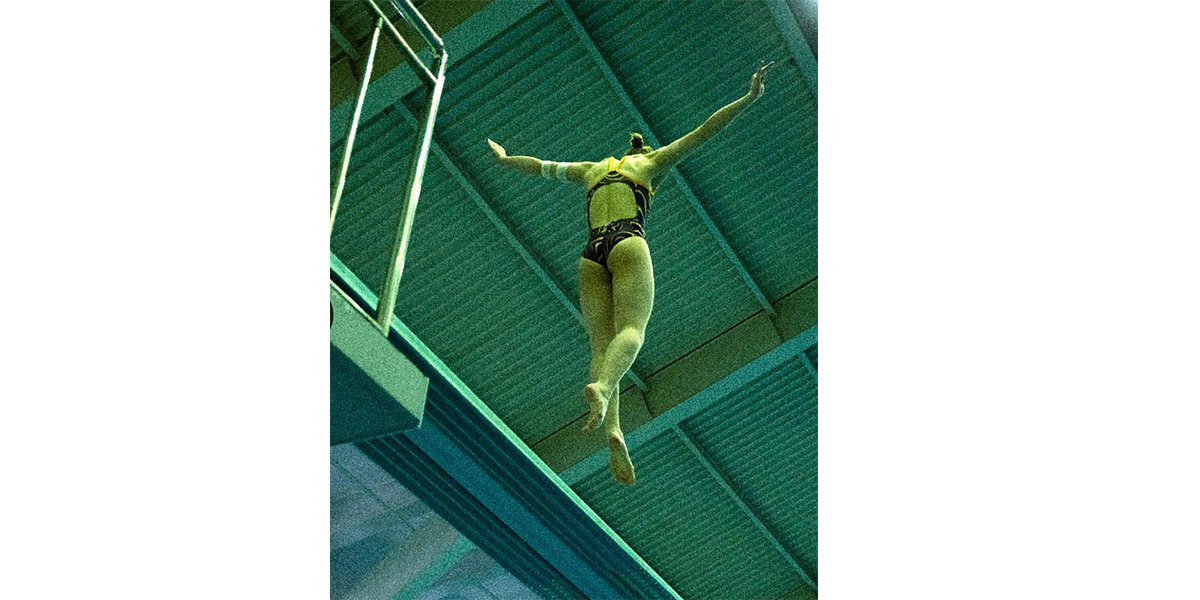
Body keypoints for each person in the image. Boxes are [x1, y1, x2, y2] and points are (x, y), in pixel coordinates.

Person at [488, 62, 773, 485]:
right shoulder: (651, 167)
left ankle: (614, 428)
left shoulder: (591, 170)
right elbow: (704, 132)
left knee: (601, 344)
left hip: (590, 253)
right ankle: (603, 390)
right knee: (633, 331)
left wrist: (508, 160)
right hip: (626, 240)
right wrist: (749, 98)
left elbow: (541, 166)